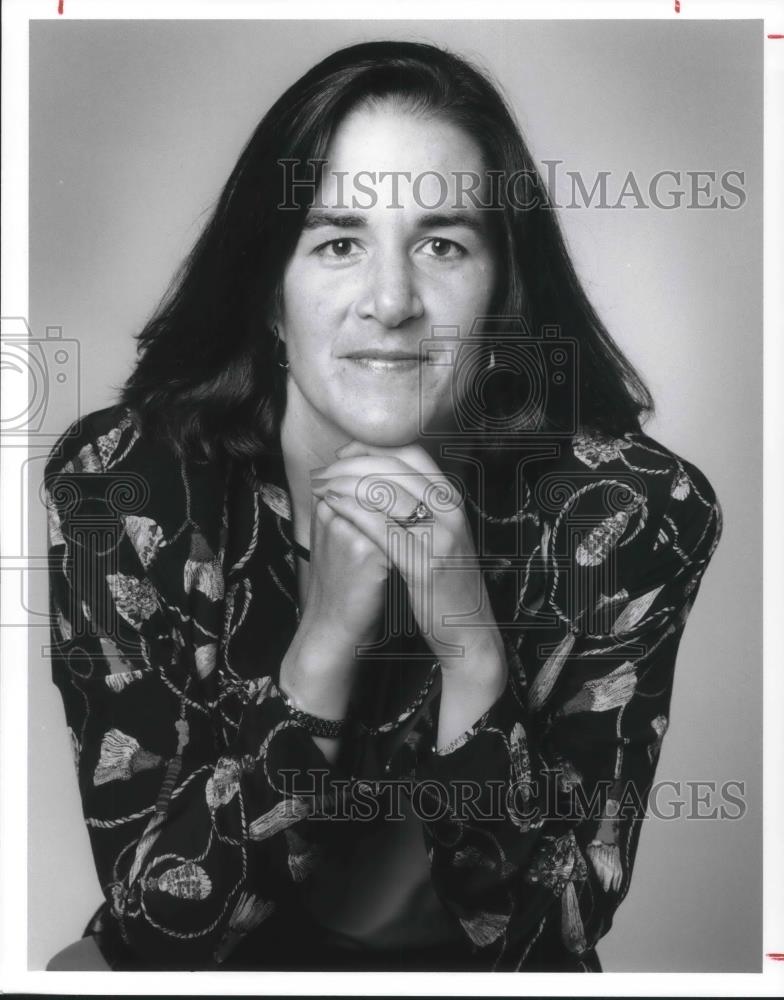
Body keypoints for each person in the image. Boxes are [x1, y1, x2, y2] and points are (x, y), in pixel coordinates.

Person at [44, 40, 723, 972]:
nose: (392, 301)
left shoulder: (634, 511)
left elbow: (550, 935)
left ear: (501, 289)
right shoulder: (123, 489)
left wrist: (470, 643)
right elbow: (159, 933)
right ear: (270, 297)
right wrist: (321, 646)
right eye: (337, 243)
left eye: (443, 244)